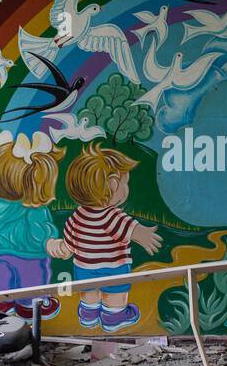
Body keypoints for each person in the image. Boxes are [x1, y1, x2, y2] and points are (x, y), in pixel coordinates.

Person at [0, 131, 70, 320]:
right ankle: (29, 306)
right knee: (32, 286)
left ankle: (3, 306)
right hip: (30, 258)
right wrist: (50, 243)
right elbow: (39, 233)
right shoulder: (32, 208)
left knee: (3, 287)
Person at [62, 142, 161, 332]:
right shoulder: (112, 216)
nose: (126, 187)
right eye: (126, 183)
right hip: (113, 268)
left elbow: (70, 243)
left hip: (83, 268)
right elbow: (132, 230)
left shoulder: (77, 216)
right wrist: (145, 235)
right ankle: (113, 316)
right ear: (114, 184)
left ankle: (88, 315)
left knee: (89, 292)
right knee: (115, 293)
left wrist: (62, 248)